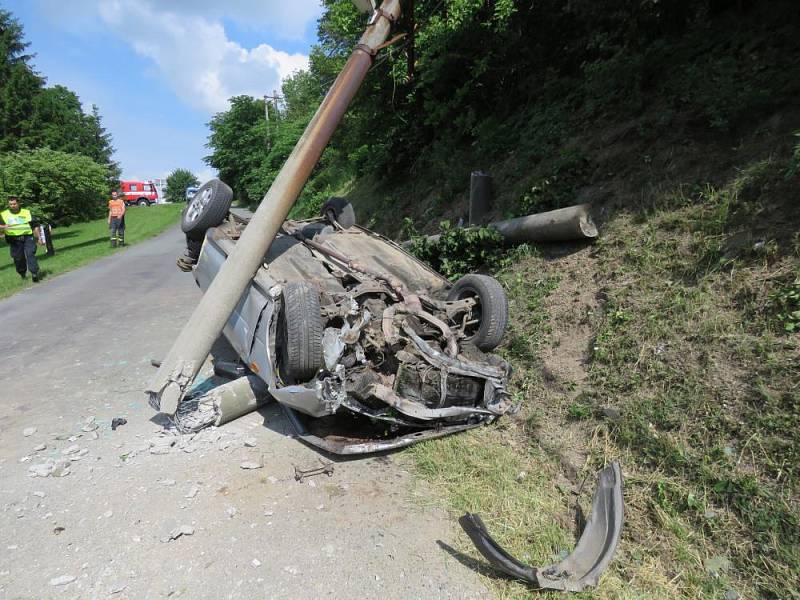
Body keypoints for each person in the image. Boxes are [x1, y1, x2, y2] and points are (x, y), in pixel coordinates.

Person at [0, 196, 42, 282]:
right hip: (14, 240)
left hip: (28, 236)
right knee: (18, 258)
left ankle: (34, 273)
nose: (13, 205)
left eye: (14, 204)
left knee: (30, 254)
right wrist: (4, 226)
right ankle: (22, 273)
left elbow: (34, 225)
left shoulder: (26, 212)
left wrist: (39, 238)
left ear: (18, 203)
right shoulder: (3, 214)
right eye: (10, 204)